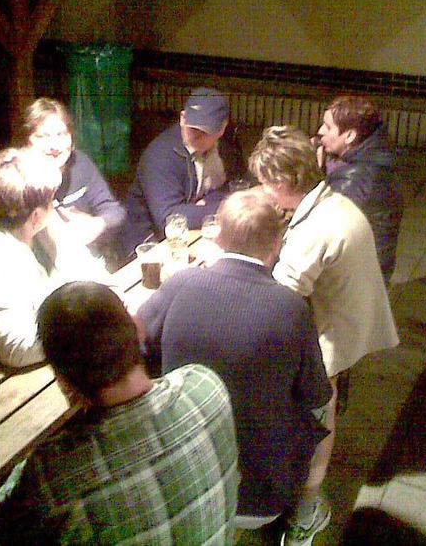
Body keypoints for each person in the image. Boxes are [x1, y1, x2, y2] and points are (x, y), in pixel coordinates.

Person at [137, 189, 332, 542]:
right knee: (326, 406)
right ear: (276, 244)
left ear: (217, 237)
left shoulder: (180, 283)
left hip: (181, 482)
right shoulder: (291, 307)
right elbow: (316, 395)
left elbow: (136, 342)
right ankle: (303, 518)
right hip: (258, 499)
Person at [0, 281, 239, 545]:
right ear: (137, 328)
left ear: (62, 381)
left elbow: (3, 517)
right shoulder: (206, 387)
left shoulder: (49, 478)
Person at [249, 126, 399, 546]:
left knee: (319, 415)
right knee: (321, 406)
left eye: (265, 183)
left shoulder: (315, 230)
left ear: (283, 182)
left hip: (333, 334)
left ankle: (306, 509)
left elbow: (278, 298)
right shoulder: (334, 200)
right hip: (353, 317)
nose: (263, 191)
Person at [0, 147, 115, 368]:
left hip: (65, 350)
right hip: (1, 381)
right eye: (51, 200)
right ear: (36, 215)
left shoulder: (38, 222)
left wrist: (108, 303)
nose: (54, 205)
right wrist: (95, 319)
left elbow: (91, 272)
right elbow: (19, 347)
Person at [122, 87, 231, 257]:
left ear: (222, 129)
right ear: (182, 118)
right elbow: (169, 218)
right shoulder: (160, 156)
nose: (197, 135)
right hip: (148, 243)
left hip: (194, 233)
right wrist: (228, 208)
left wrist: (205, 205)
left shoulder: (226, 147)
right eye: (193, 127)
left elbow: (230, 186)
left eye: (205, 131)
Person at [24, 97, 127, 268]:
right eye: (43, 136)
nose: (54, 146)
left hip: (90, 263)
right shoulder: (18, 178)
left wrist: (96, 225)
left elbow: (115, 211)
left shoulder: (80, 163)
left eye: (61, 134)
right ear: (27, 141)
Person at [314, 95, 403, 283]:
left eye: (328, 127)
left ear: (350, 136)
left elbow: (319, 223)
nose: (321, 131)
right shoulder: (374, 153)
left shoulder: (356, 181)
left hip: (359, 277)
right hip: (371, 268)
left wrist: (315, 175)